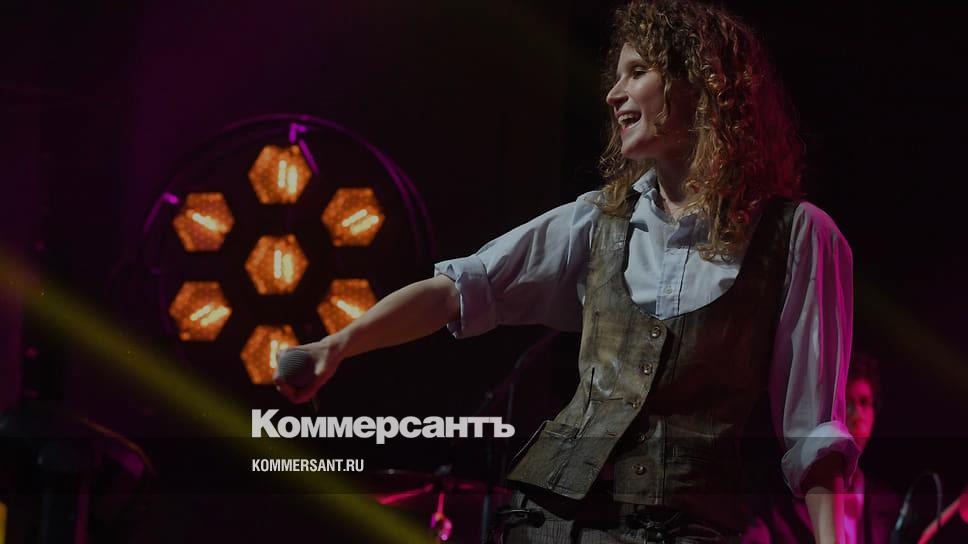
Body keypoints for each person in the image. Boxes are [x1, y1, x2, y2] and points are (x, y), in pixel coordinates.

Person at [276, 1, 859, 541]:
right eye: (617, 75)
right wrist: (338, 345)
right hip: (549, 522)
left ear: (700, 85)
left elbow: (814, 433)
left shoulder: (798, 236)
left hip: (682, 528)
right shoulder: (597, 221)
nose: (613, 93)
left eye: (637, 72)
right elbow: (457, 289)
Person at [743, 352, 901, 544]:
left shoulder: (887, 503)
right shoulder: (774, 498)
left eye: (864, 402)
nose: (858, 416)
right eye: (848, 403)